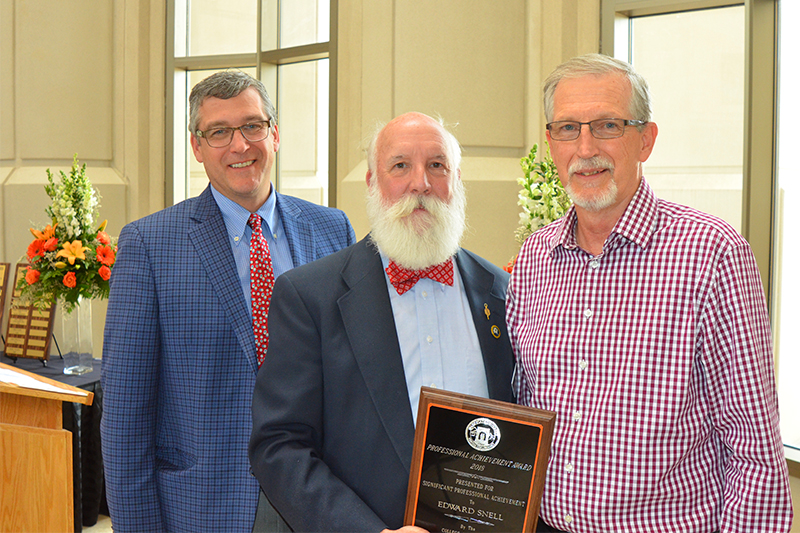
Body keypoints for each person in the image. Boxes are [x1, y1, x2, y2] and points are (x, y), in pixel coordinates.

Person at [507, 53, 793, 533]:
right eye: (567, 129)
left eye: (607, 126)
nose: (585, 147)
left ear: (646, 139)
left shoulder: (712, 255)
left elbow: (753, 449)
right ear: (551, 142)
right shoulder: (534, 259)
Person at [101, 70, 356, 532]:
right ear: (197, 148)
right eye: (219, 132)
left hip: (318, 498)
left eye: (253, 126)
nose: (240, 146)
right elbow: (124, 417)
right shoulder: (149, 245)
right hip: (203, 505)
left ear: (274, 134)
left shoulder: (332, 231)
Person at [248, 112, 516, 532]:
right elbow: (279, 447)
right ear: (373, 182)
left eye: (436, 166)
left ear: (456, 181)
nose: (420, 184)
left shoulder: (501, 292)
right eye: (400, 166)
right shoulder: (310, 297)